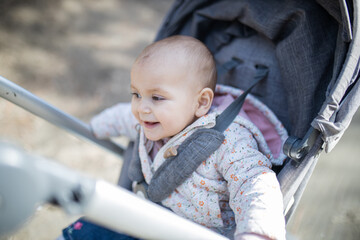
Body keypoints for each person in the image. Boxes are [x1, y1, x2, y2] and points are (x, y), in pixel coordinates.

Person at [61, 35, 288, 240]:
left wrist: (257, 232)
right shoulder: (152, 120)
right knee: (94, 225)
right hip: (149, 215)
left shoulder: (230, 140)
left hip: (195, 233)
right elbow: (123, 117)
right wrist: (95, 127)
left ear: (201, 103)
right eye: (136, 94)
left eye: (157, 97)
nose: (142, 108)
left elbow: (255, 183)